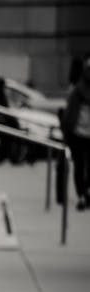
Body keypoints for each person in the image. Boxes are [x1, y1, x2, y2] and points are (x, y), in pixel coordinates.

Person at [61, 53, 90, 210]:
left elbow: (68, 115)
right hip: (79, 134)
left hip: (79, 134)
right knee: (80, 166)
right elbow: (69, 115)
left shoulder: (77, 90)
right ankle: (82, 194)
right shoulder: (78, 91)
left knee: (80, 167)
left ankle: (83, 194)